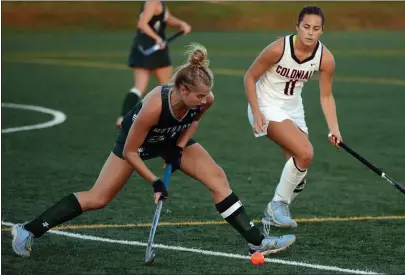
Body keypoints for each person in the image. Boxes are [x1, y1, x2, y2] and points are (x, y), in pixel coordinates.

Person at [12, 43, 296, 258]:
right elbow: (132, 152)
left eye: (205, 95)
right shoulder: (154, 107)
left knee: (217, 179)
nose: (202, 100)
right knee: (98, 198)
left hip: (171, 138)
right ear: (182, 88)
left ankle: (255, 241)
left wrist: (178, 149)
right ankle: (28, 230)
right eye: (197, 95)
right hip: (136, 144)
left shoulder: (204, 100)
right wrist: (155, 182)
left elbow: (193, 122)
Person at [243, 5, 343, 232]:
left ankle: (276, 210)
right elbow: (249, 77)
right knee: (305, 153)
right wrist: (256, 111)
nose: (310, 32)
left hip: (293, 109)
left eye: (316, 28)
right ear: (297, 27)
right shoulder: (278, 48)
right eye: (306, 27)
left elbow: (326, 96)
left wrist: (334, 128)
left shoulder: (325, 59)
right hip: (265, 104)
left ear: (322, 31)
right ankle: (276, 207)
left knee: (299, 173)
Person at [116, 0, 192, 128]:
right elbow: (142, 24)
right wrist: (157, 39)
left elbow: (167, 17)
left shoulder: (159, 3)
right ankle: (164, 120)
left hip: (141, 48)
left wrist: (181, 24)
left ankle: (123, 118)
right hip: (153, 48)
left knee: (139, 87)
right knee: (168, 87)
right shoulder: (152, 2)